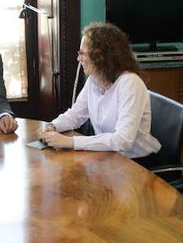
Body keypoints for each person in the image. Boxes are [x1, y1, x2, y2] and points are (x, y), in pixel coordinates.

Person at [40, 22, 161, 160]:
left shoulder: (130, 83)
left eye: (82, 54)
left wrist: (71, 142)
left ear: (102, 56)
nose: (78, 59)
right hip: (108, 155)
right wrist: (53, 126)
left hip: (135, 161)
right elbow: (76, 115)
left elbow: (123, 140)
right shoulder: (94, 79)